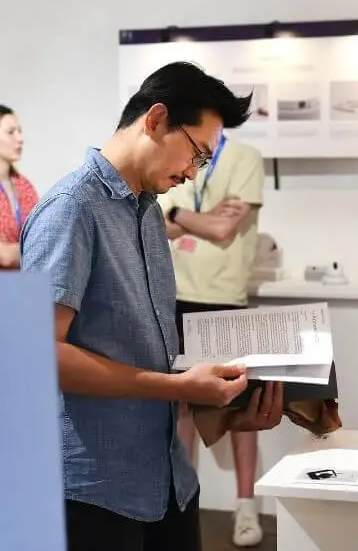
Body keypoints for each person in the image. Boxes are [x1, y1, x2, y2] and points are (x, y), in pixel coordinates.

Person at [19, 62, 284, 551]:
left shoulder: (145, 212)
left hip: (166, 482)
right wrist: (174, 385)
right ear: (157, 119)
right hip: (93, 492)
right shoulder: (70, 209)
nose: (191, 171)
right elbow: (38, 354)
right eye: (197, 154)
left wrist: (226, 412)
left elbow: (143, 353)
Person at [158, 137, 265, 547]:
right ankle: (184, 505)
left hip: (225, 297)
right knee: (182, 405)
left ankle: (246, 507)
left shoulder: (244, 158)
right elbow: (159, 226)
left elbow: (223, 229)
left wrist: (182, 212)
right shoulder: (180, 155)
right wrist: (194, 218)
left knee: (241, 401)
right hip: (176, 294)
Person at [0, 105, 38, 269]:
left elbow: (42, 239)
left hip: (18, 285)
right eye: (11, 132)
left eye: (19, 131)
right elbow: (4, 257)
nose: (20, 138)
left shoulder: (24, 186)